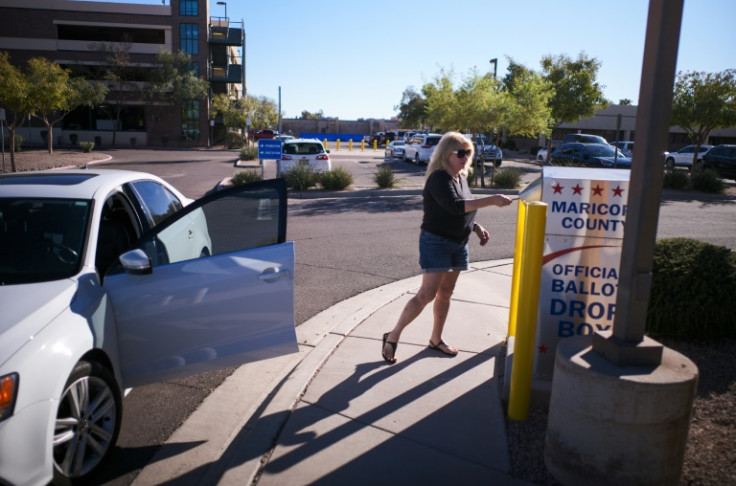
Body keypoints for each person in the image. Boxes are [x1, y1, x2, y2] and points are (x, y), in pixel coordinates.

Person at [382, 131, 513, 363]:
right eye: (460, 153)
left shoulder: (460, 178)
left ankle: (435, 339)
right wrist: (492, 199)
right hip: (437, 242)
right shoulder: (438, 178)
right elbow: (454, 206)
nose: (465, 157)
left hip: (458, 243)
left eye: (468, 153)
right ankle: (392, 336)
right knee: (426, 295)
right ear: (446, 154)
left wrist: (476, 227)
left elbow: (465, 208)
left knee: (446, 293)